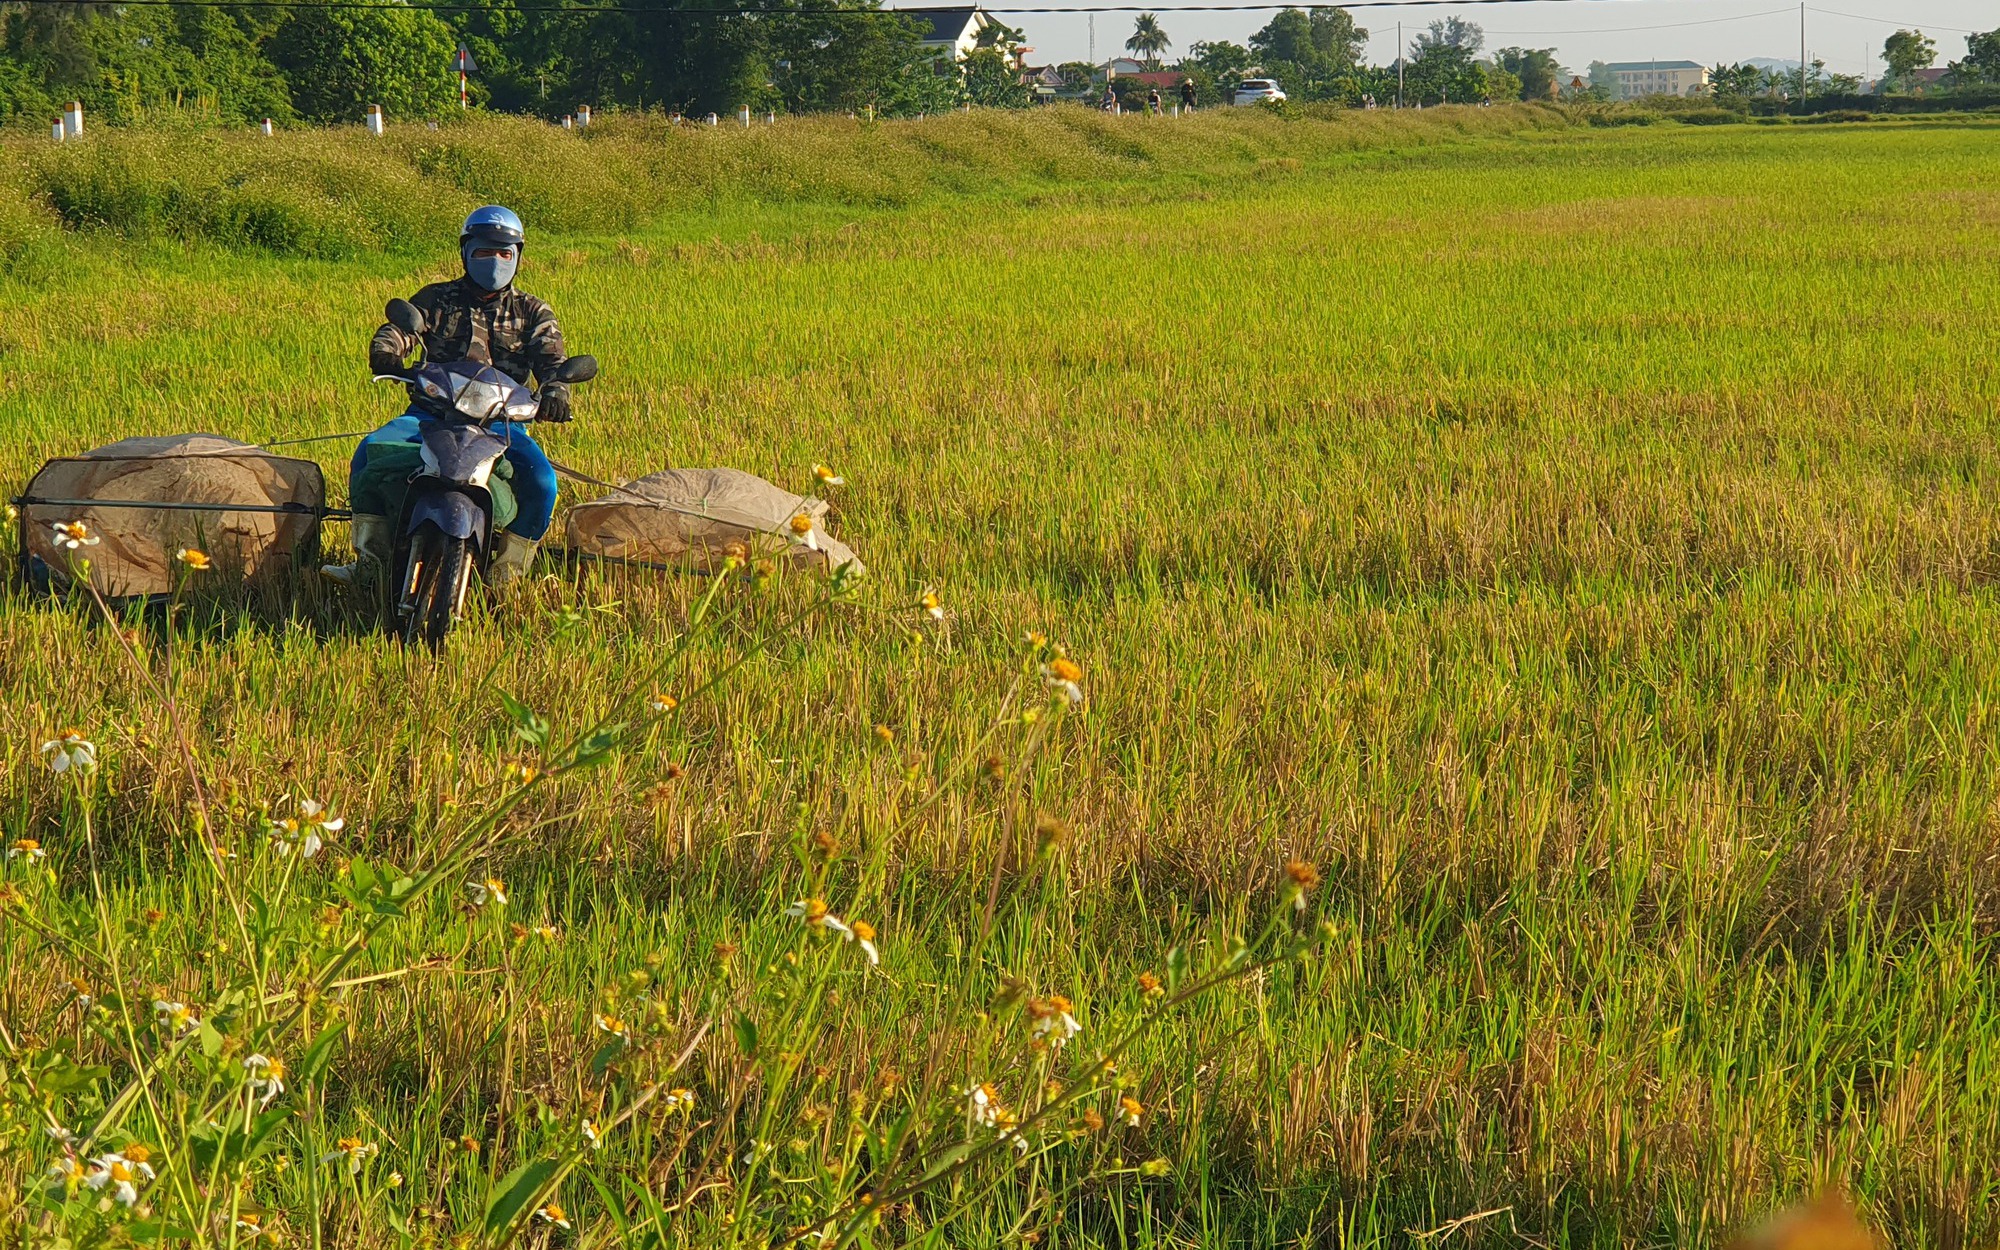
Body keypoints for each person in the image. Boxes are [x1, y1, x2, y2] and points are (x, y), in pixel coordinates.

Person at [325, 205, 571, 590]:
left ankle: (508, 573)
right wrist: (386, 351)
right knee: (369, 451)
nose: (495, 260)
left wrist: (556, 391)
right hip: (430, 415)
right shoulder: (435, 299)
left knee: (543, 483)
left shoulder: (532, 311)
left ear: (519, 256)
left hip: (502, 425)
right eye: (485, 250)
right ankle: (370, 561)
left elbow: (553, 363)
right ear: (465, 251)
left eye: (505, 252)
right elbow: (398, 331)